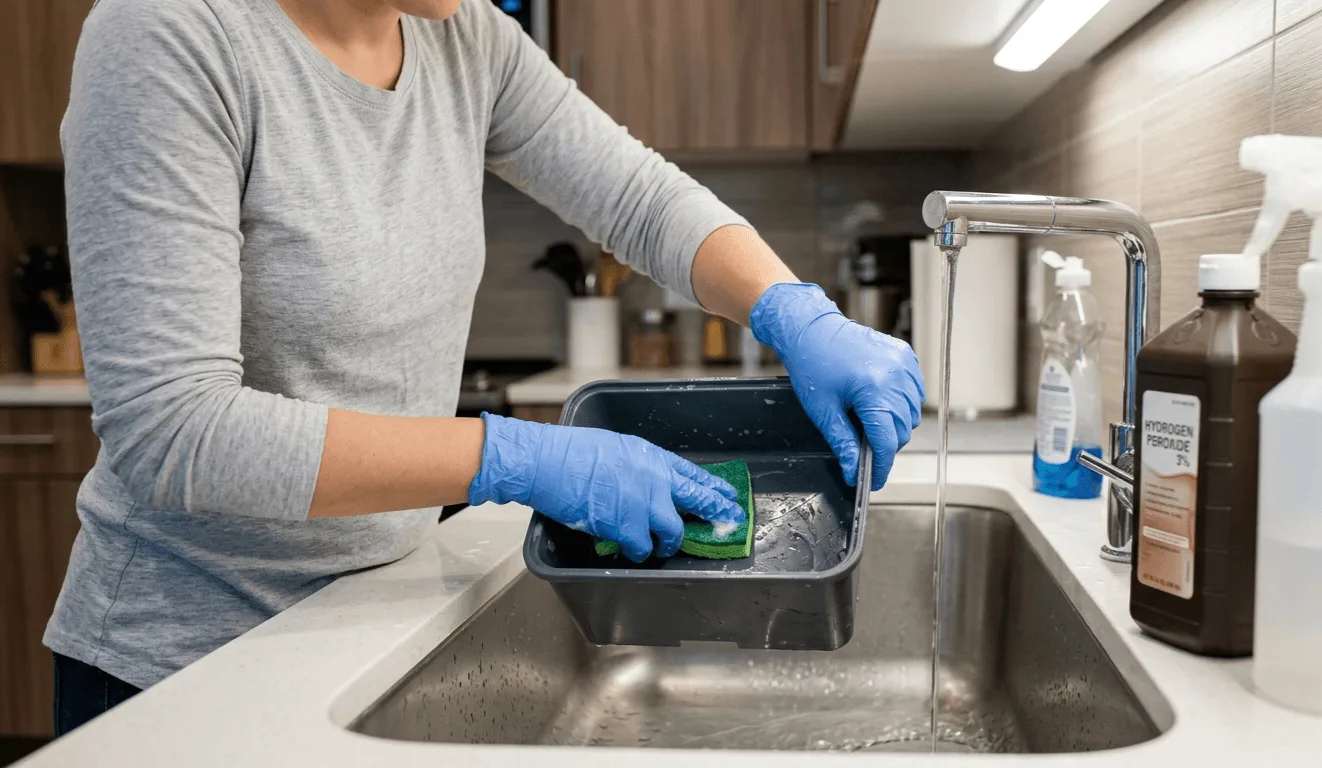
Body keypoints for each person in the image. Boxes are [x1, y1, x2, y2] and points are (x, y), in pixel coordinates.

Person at [46, 0, 925, 736]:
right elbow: (173, 431)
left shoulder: (463, 37)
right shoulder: (169, 32)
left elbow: (640, 199)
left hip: (371, 621)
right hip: (185, 672)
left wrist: (794, 312)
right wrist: (511, 458)